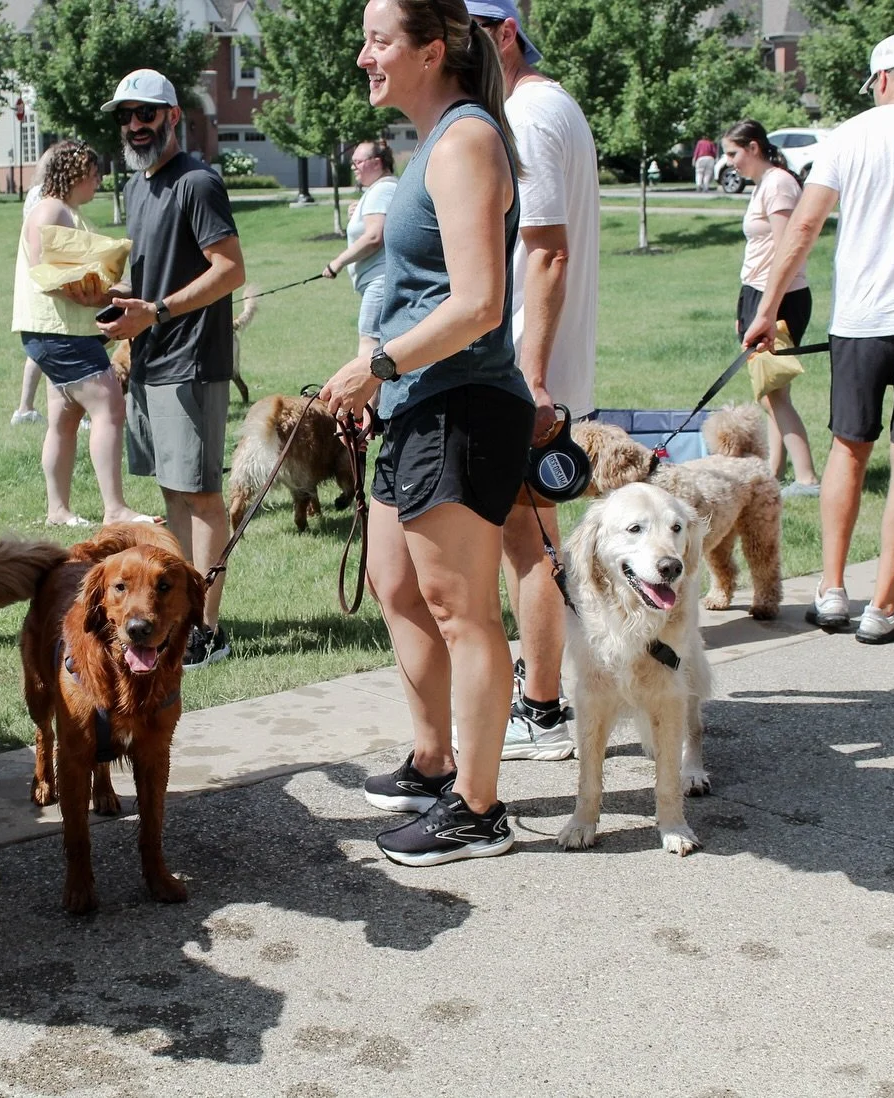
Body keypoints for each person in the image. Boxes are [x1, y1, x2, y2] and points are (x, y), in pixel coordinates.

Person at [322, 0, 534, 865]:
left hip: (462, 404)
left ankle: (477, 811)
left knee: (462, 609)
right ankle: (433, 758)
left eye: (378, 39)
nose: (364, 54)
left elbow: (479, 303)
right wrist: (383, 368)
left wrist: (380, 365)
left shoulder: (467, 142)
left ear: (431, 49)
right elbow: (421, 291)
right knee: (395, 586)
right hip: (414, 401)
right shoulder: (434, 143)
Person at [744, 33, 894, 644]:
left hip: (861, 320)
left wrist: (767, 309)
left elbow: (806, 225)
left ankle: (833, 592)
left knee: (849, 448)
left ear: (879, 81)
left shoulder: (850, 134)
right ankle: (885, 607)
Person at [470, 0, 598, 762]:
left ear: (504, 34)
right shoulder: (539, 107)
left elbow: (547, 253)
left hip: (527, 376)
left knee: (530, 544)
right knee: (534, 541)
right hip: (530, 369)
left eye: (466, 35)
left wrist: (535, 380)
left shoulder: (529, 114)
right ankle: (543, 695)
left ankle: (544, 707)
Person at [97, 69, 247, 669]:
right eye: (126, 116)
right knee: (172, 495)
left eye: (146, 114)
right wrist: (111, 296)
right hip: (152, 357)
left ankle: (207, 630)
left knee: (203, 496)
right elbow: (154, 273)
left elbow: (229, 269)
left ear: (173, 117)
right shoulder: (138, 187)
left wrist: (155, 311)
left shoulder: (198, 182)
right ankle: (176, 618)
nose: (135, 125)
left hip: (191, 361)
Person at [11, 139, 158, 526]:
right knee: (110, 406)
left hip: (59, 332)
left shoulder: (64, 211)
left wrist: (113, 289)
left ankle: (57, 511)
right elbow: (47, 272)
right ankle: (115, 509)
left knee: (64, 419)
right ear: (75, 174)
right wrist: (102, 295)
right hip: (60, 333)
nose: (98, 182)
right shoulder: (50, 210)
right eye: (94, 175)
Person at [723, 119, 819, 495]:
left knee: (774, 392)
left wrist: (767, 308)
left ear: (754, 147)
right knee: (768, 392)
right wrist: (743, 308)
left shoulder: (778, 183)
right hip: (758, 295)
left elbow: (786, 249)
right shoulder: (764, 184)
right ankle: (774, 473)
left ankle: (808, 477)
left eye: (733, 153)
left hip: (778, 297)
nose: (729, 161)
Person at [323, 140, 398, 358]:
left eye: (358, 162)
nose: (353, 167)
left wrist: (337, 262)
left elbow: (374, 237)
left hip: (379, 280)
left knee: (369, 346)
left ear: (376, 163)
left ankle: (369, 394)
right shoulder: (382, 189)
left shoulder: (382, 190)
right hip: (380, 280)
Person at [12, 147, 56, 427]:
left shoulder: (33, 194)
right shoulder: (49, 199)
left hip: (31, 280)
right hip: (45, 279)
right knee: (54, 347)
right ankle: (63, 411)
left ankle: (25, 408)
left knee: (39, 351)